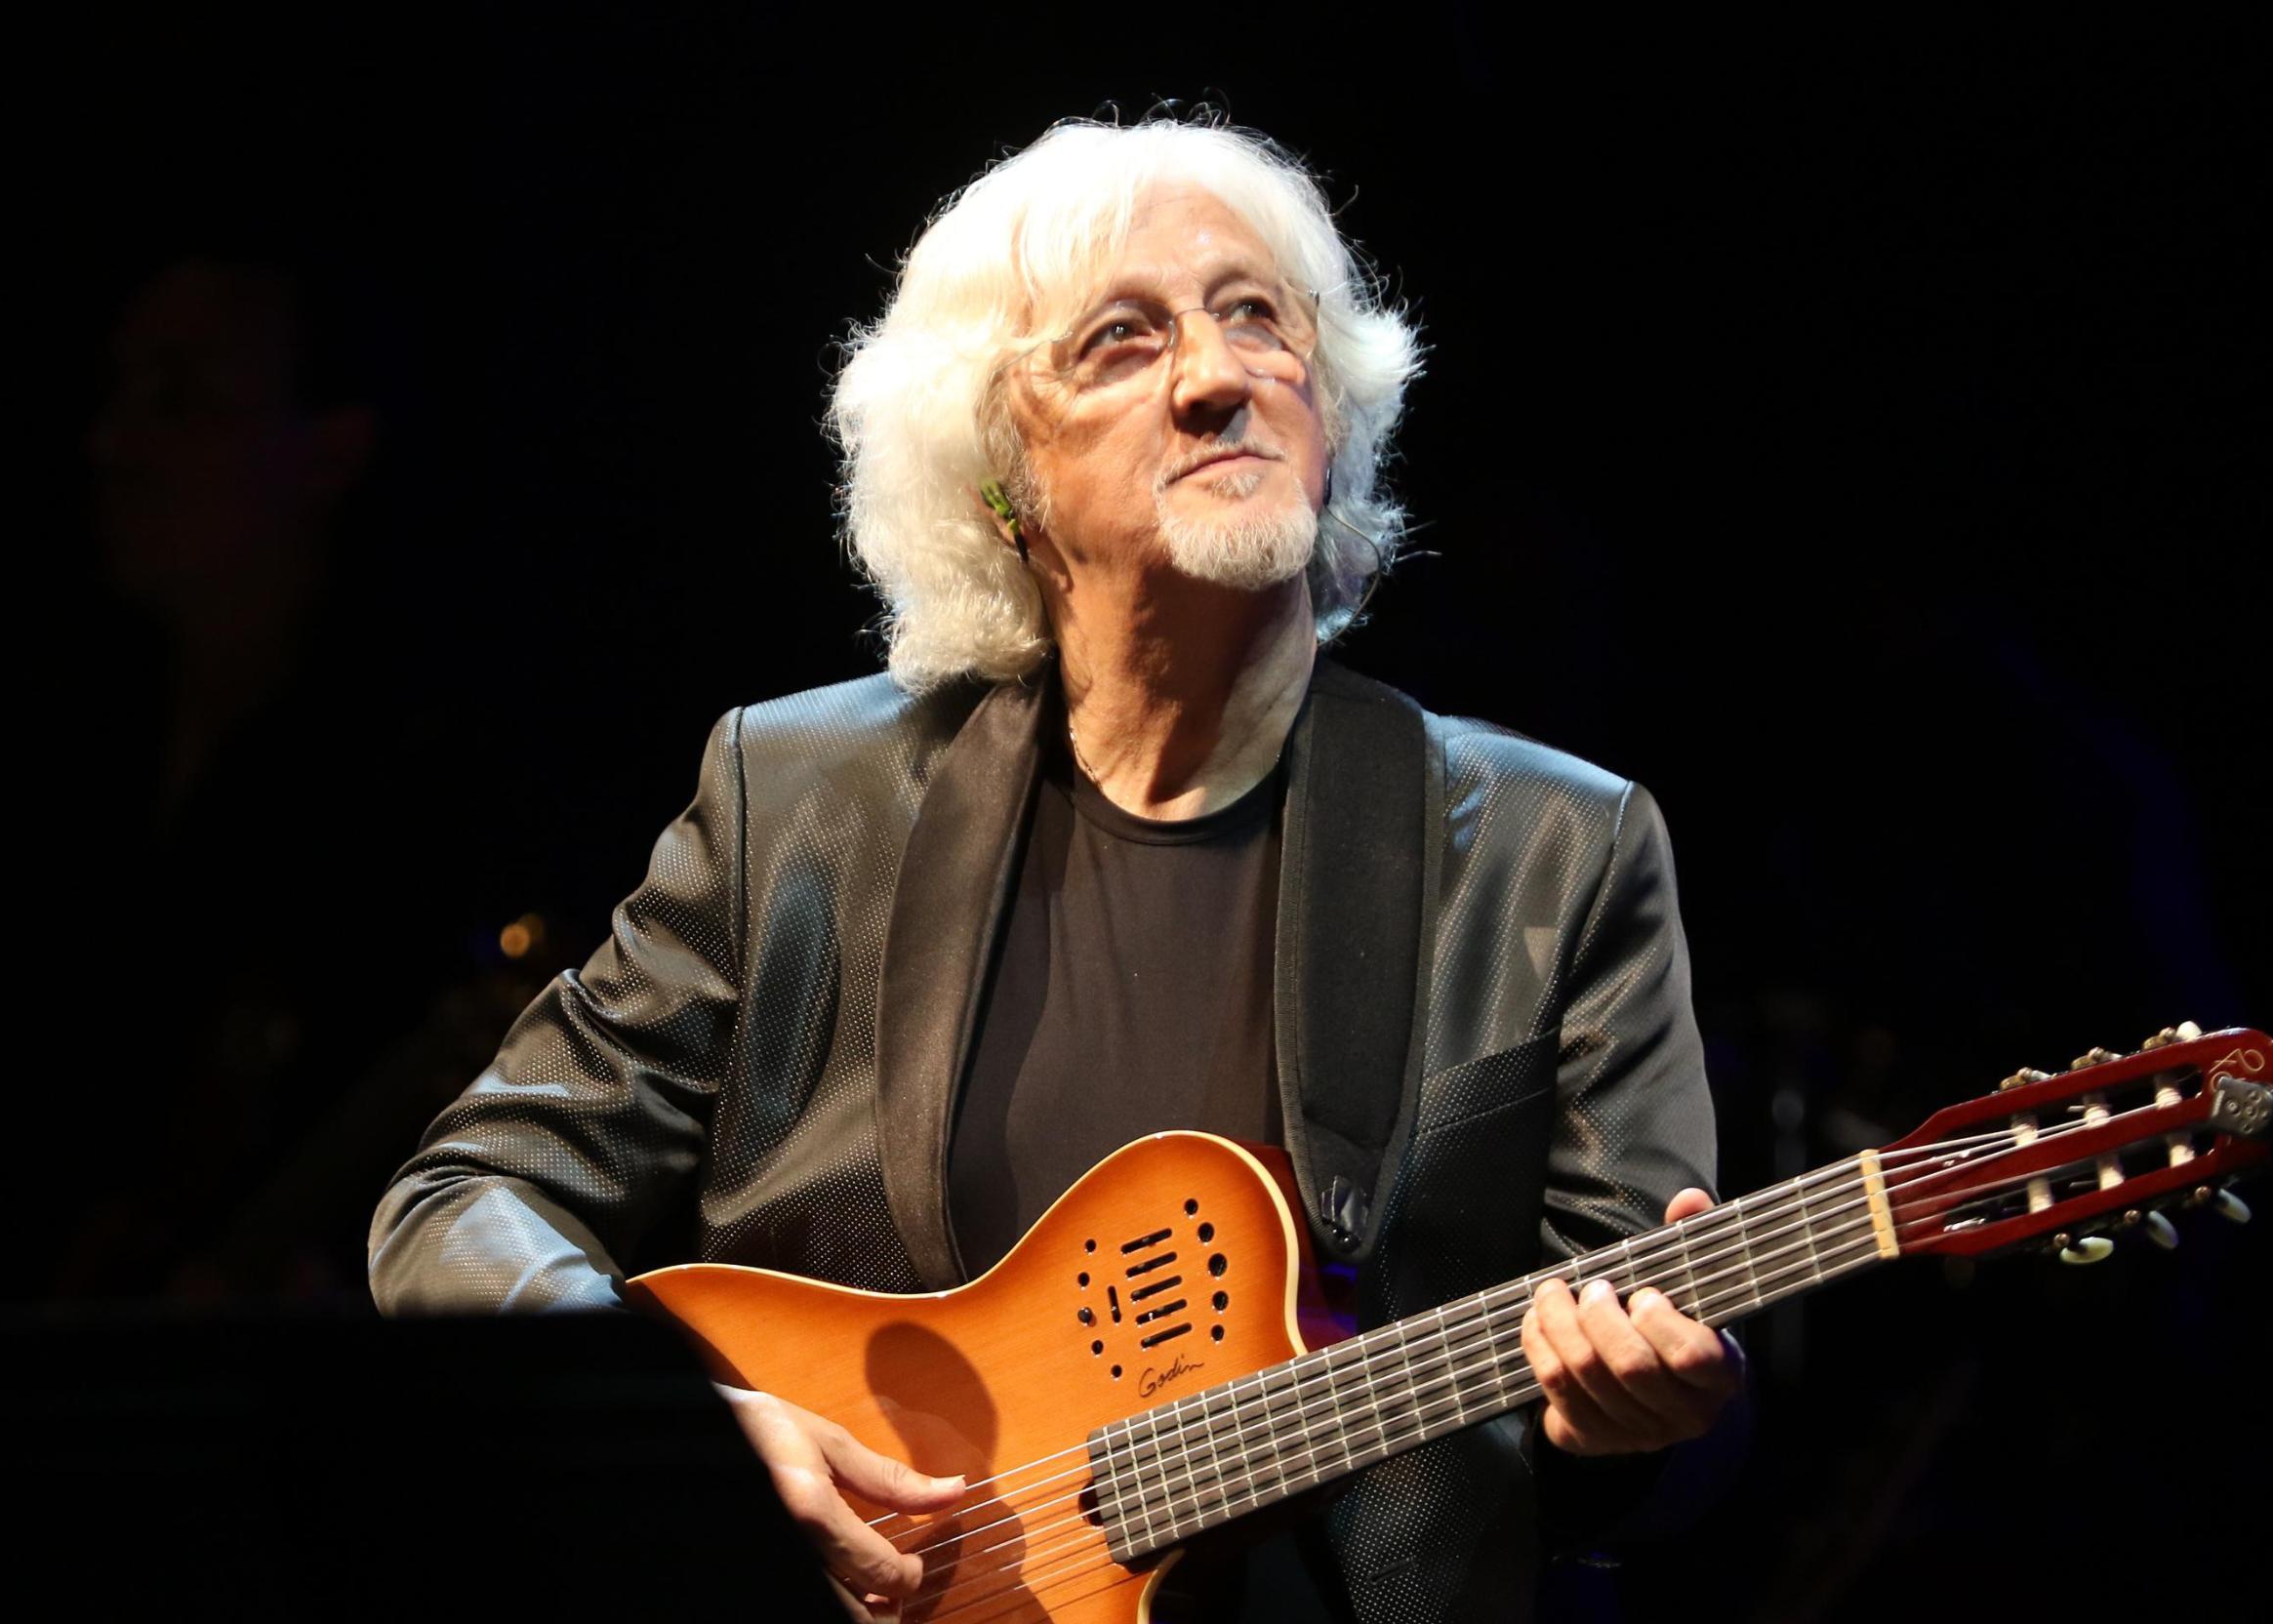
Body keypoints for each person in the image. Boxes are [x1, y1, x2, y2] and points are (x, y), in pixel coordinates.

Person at [370, 117, 1739, 1620]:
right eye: (1121, 341)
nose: (1216, 378)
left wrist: (1635, 1426)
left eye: (1257, 317)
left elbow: (1672, 1454)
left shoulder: (1557, 850)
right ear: (1000, 482)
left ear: (1332, 413)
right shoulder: (800, 802)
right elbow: (465, 1199)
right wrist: (697, 1435)